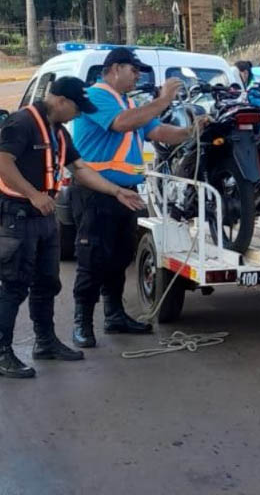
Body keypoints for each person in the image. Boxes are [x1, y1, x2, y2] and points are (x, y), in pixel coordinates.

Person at [0, 76, 145, 379]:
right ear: (60, 101)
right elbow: (0, 162)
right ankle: (0, 354)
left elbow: (81, 169)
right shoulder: (20, 122)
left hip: (43, 217)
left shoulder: (58, 132)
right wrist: (33, 195)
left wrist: (116, 191)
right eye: (77, 108)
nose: (78, 115)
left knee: (47, 283)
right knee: (12, 285)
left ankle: (46, 343)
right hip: (12, 216)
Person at [70, 47, 196, 348]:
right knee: (93, 258)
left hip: (126, 194)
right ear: (115, 69)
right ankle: (82, 322)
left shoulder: (128, 103)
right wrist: (162, 100)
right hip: (96, 192)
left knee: (120, 256)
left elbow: (159, 131)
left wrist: (191, 131)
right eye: (133, 69)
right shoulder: (95, 96)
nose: (138, 75)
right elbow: (121, 123)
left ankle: (114, 315)